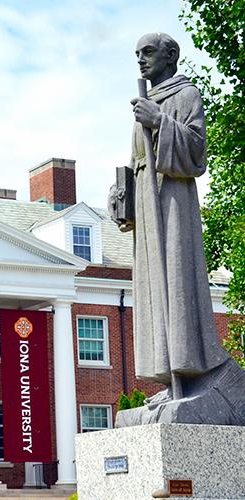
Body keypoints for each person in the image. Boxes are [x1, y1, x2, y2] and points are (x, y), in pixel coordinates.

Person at [118, 33, 229, 401]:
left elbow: (196, 153)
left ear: (170, 55)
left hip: (173, 204)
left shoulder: (185, 95)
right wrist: (122, 197)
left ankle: (189, 371)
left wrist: (160, 121)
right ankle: (167, 379)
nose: (140, 60)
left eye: (147, 52)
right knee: (153, 289)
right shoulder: (144, 104)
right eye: (136, 54)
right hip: (148, 212)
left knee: (177, 283)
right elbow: (137, 162)